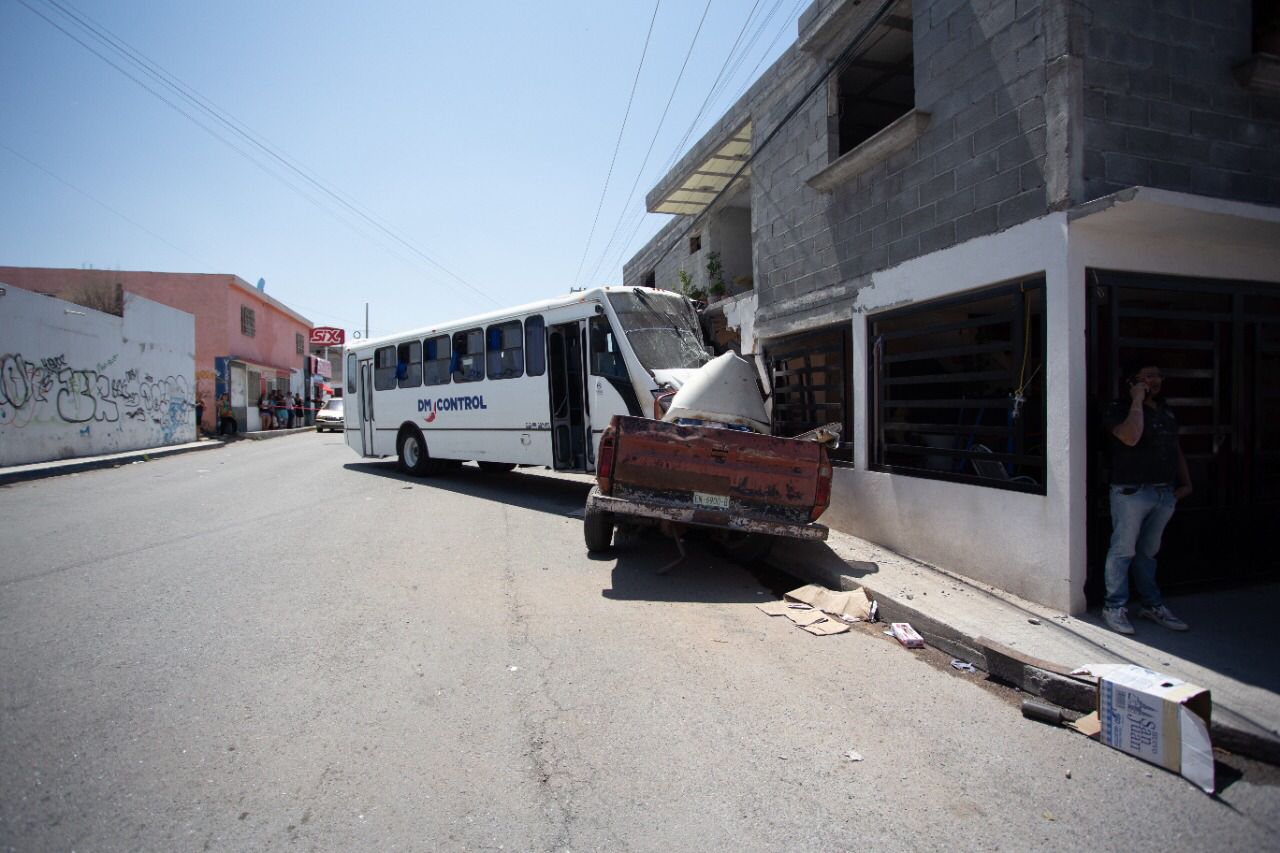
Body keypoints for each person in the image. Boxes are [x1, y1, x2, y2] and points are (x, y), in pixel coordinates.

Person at [1100, 362, 1193, 635]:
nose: (1156, 381)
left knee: (1148, 552)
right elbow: (1130, 437)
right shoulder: (1117, 408)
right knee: (1123, 549)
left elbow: (1175, 447)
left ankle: (1151, 604)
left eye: (1158, 375)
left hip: (1164, 492)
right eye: (1148, 376)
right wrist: (1137, 400)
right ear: (1133, 381)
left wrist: (1186, 483)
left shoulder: (1166, 411)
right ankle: (1114, 606)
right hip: (1131, 492)